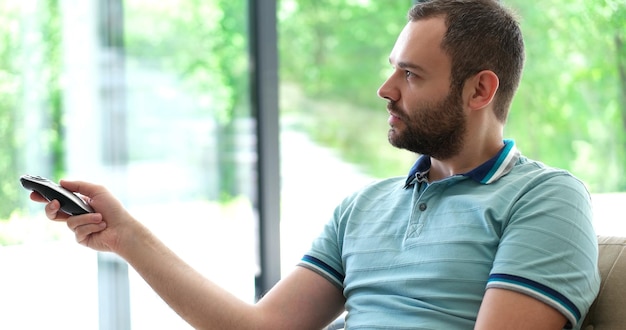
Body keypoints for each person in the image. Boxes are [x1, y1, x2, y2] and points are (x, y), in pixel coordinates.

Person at [31, 0, 600, 329]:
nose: (385, 90)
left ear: (480, 91)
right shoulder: (362, 207)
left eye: (410, 75)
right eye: (392, 69)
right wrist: (127, 237)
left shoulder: (546, 199)